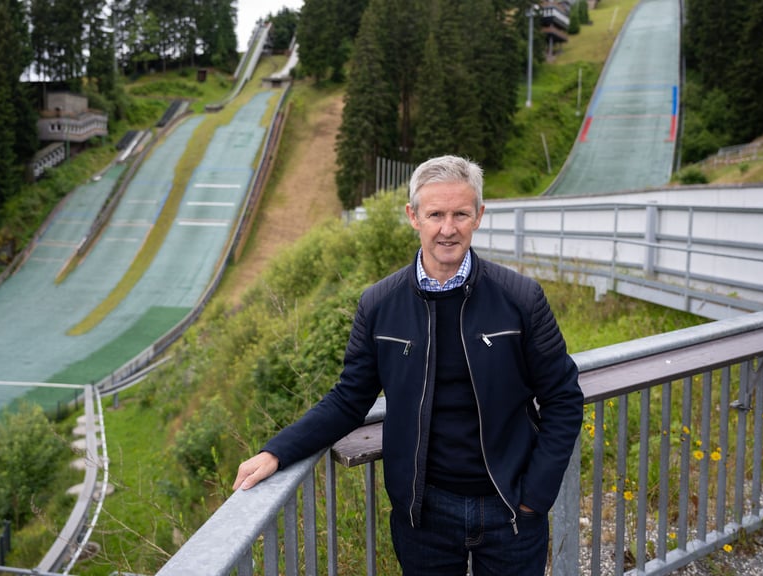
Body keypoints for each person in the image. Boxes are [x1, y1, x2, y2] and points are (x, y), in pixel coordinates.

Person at [234, 155, 583, 575]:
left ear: (479, 216)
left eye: (461, 214)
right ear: (413, 216)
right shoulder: (379, 305)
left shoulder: (521, 299)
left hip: (510, 509)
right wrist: (278, 451)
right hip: (424, 515)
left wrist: (535, 497)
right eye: (435, 214)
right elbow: (349, 399)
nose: (448, 228)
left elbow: (563, 398)